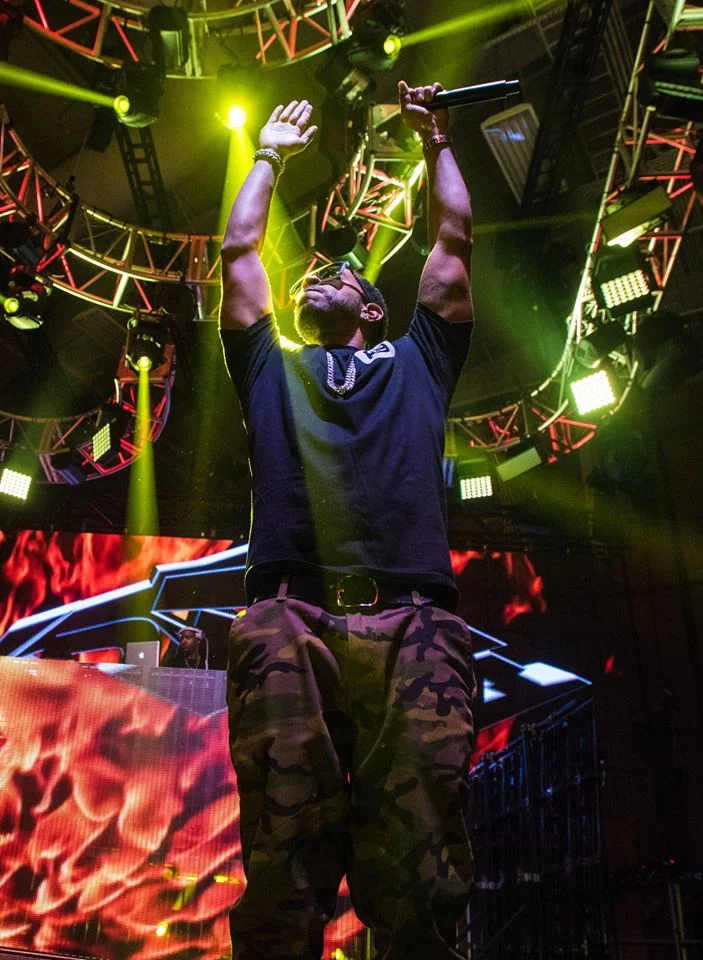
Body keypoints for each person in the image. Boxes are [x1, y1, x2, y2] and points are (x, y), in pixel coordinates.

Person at [219, 80, 477, 960]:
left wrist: (435, 142)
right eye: (310, 277)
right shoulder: (269, 367)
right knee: (284, 866)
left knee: (421, 874)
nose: (316, 278)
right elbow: (238, 248)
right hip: (292, 615)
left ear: (373, 309)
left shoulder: (420, 359)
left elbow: (452, 241)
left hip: (414, 622)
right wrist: (265, 154)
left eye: (339, 274)